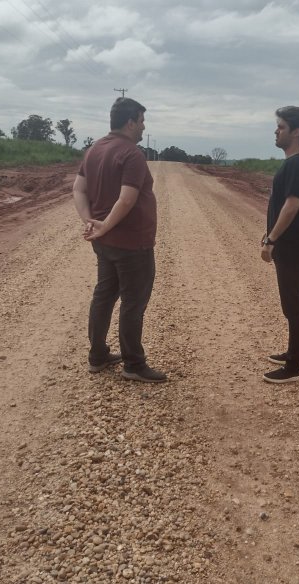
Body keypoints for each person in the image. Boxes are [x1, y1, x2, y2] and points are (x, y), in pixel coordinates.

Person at [72, 97, 167, 383]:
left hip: (106, 243)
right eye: (141, 121)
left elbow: (78, 189)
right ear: (130, 122)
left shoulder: (94, 149)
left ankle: (98, 355)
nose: (143, 127)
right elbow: (127, 199)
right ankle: (133, 364)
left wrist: (91, 222)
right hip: (131, 243)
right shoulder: (131, 154)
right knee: (132, 304)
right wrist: (103, 226)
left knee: (104, 295)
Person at [260, 106, 299, 383]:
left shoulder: (298, 164)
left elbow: (292, 206)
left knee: (294, 303)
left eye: (281, 126)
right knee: (290, 303)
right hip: (290, 245)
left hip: (294, 246)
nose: (276, 130)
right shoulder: (294, 163)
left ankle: (294, 366)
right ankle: (293, 353)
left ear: (296, 131)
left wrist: (272, 239)